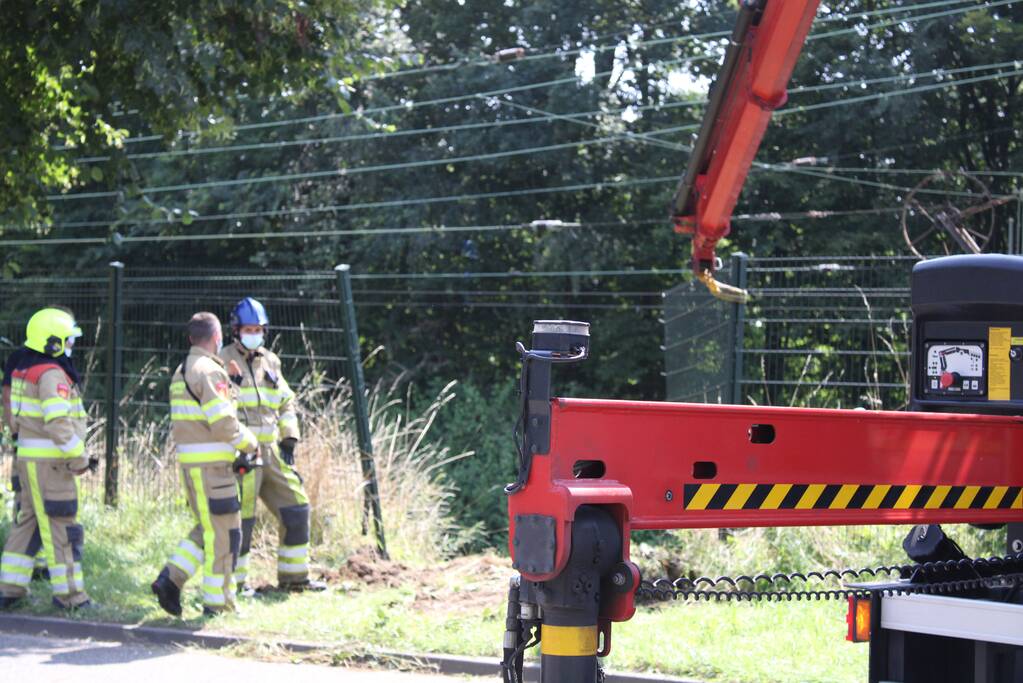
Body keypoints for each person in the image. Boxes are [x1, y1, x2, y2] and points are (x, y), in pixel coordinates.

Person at [150, 312, 259, 617]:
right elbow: (223, 422)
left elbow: (204, 414)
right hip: (213, 470)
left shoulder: (183, 369)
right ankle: (219, 603)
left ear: (190, 338)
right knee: (226, 536)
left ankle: (170, 579)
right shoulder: (210, 371)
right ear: (216, 337)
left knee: (209, 528)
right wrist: (251, 443)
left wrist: (232, 386)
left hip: (193, 467)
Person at [220, 298, 325, 593]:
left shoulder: (271, 360)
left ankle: (295, 579)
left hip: (272, 453)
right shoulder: (221, 360)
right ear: (236, 330)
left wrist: (289, 437)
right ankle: (237, 586)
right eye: (249, 328)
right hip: (241, 453)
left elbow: (285, 399)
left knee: (296, 507)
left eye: (259, 329)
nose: (255, 334)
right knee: (244, 519)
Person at [0, 308, 92, 609]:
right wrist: (78, 457)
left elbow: (15, 421)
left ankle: (9, 589)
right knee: (62, 526)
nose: (71, 346)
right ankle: (70, 597)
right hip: (52, 464)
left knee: (28, 522)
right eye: (67, 341)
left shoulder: (25, 370)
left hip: (29, 460)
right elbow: (58, 422)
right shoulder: (52, 374)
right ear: (52, 343)